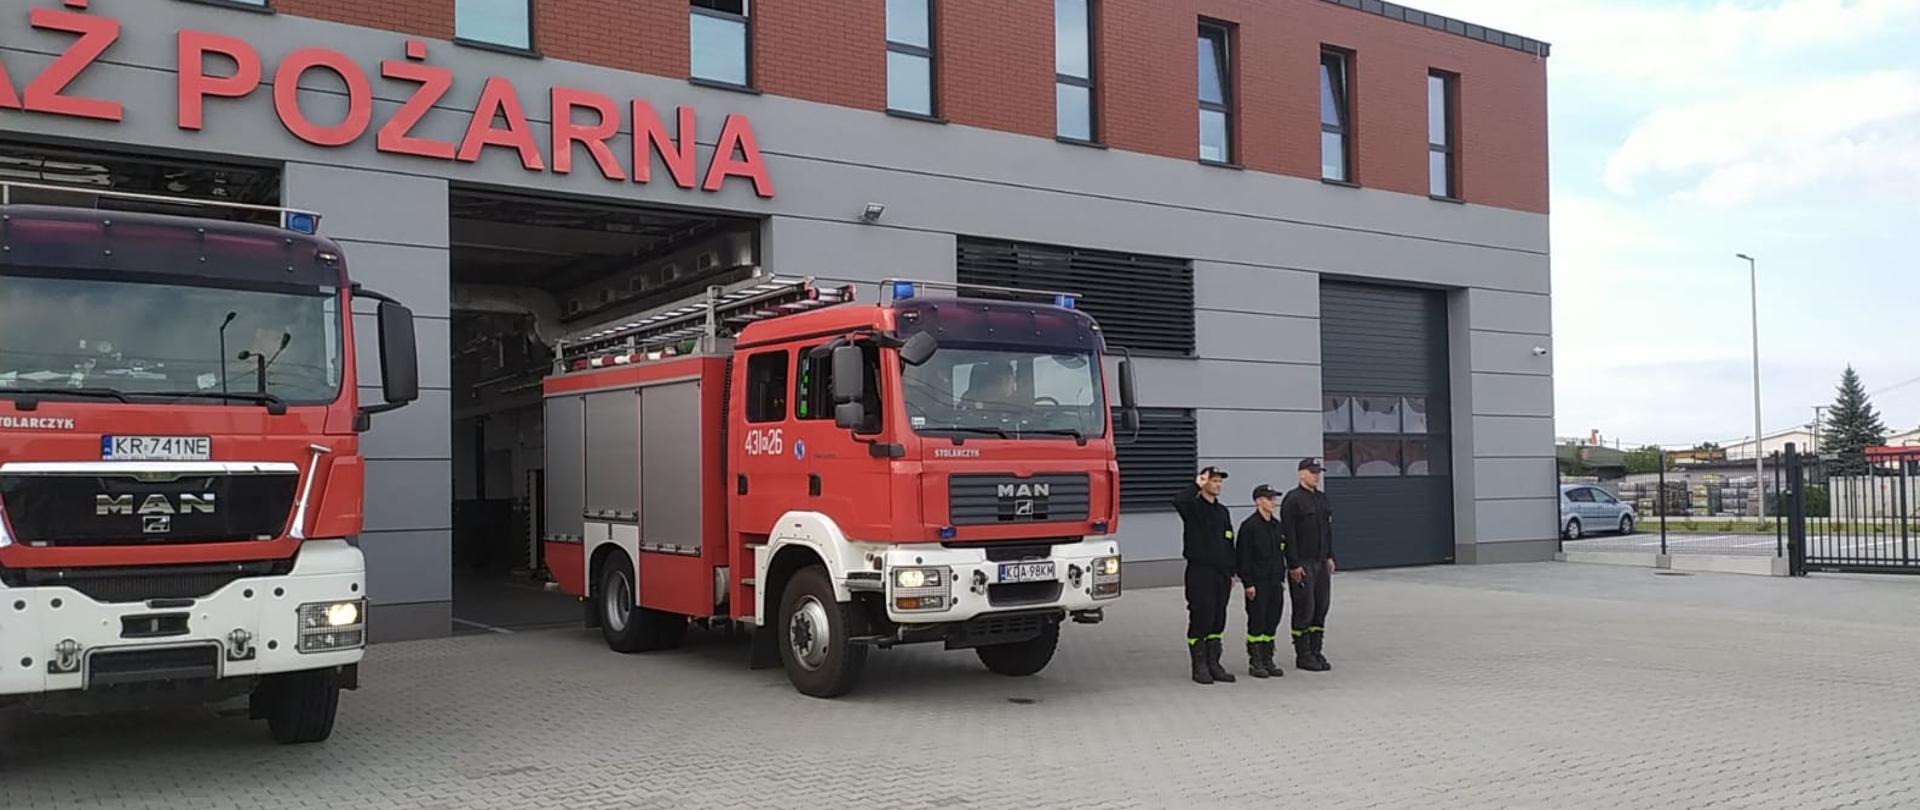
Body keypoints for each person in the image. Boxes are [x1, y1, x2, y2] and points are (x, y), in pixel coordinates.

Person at [1172, 466, 1237, 684]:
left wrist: (1232, 572)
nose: (1217, 485)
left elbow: (1229, 542)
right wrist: (1195, 485)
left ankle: (1214, 663)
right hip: (1200, 572)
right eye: (1213, 480)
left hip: (1221, 574)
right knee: (1202, 615)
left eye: (1220, 481)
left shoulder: (1222, 512)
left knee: (1218, 618)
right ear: (1203, 483)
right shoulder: (1193, 507)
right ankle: (1199, 666)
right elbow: (1179, 501)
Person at [1281, 458, 1335, 673]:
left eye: (1318, 472)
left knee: (1321, 606)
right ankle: (1302, 654)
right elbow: (1289, 535)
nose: (1316, 476)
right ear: (1301, 474)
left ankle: (1316, 650)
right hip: (1302, 563)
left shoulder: (1321, 499)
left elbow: (1328, 530)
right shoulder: (1292, 500)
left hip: (1321, 561)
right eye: (1312, 472)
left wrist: (1330, 556)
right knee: (1305, 607)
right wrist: (1293, 564)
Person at [1236, 483, 1287, 679]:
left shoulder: (1277, 526)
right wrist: (1248, 583)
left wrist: (1281, 579)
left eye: (1274, 498)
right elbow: (1243, 557)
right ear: (1258, 501)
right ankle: (1255, 661)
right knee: (1257, 621)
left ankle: (1268, 658)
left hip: (1275, 582)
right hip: (1257, 583)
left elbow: (1280, 554)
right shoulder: (1250, 527)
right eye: (1269, 498)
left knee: (1272, 620)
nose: (1273, 502)